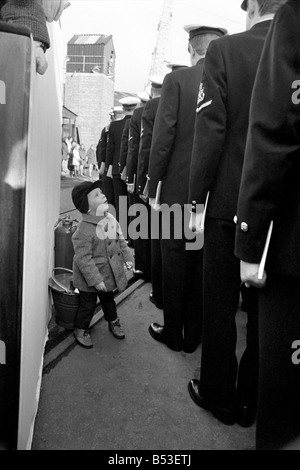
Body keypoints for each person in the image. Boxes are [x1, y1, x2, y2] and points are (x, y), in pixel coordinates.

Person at [187, 0, 287, 427]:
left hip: (229, 205)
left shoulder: (225, 52)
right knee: (268, 316)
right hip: (282, 211)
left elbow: (210, 133)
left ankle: (219, 395)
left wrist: (195, 202)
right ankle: (251, 398)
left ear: (251, 9)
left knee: (220, 305)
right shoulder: (293, 49)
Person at [235, 0, 300, 450]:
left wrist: (249, 242)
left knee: (286, 413)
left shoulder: (293, 18)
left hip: (291, 243)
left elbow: (275, 134)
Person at [147, 25, 227, 354]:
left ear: (191, 49)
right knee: (199, 265)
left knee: (175, 263)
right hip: (212, 195)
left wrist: (154, 184)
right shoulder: (229, 79)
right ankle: (194, 334)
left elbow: (163, 138)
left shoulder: (177, 81)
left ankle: (173, 332)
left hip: (177, 192)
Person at [71, 180, 134, 349]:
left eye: (101, 192)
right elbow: (83, 259)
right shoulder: (83, 230)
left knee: (109, 301)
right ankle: (81, 329)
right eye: (96, 195)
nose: (103, 195)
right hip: (89, 280)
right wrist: (95, 280)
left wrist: (128, 259)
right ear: (87, 206)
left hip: (108, 275)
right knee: (87, 306)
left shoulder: (110, 219)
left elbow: (120, 241)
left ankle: (113, 321)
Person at [136, 77, 164, 309]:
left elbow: (147, 147)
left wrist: (146, 180)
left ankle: (156, 284)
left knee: (157, 235)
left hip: (161, 183)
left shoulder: (152, 108)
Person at [125, 91, 151, 279]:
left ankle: (142, 266)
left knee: (141, 221)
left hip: (143, 175)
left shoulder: (139, 114)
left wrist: (133, 179)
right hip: (166, 178)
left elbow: (136, 149)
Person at [106, 97, 140, 227]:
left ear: (123, 109)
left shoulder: (114, 125)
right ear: (135, 107)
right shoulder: (139, 123)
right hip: (133, 169)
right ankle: (132, 233)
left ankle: (122, 231)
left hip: (116, 168)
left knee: (120, 202)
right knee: (133, 203)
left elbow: (110, 149)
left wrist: (108, 166)